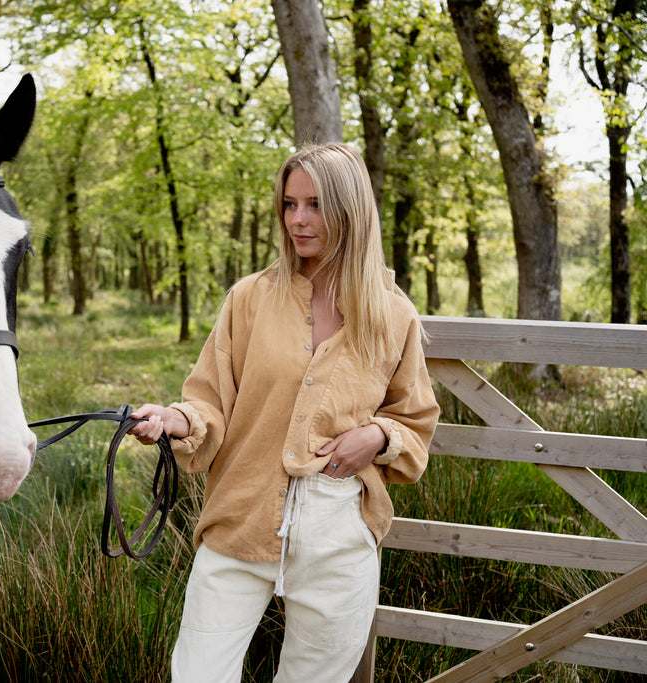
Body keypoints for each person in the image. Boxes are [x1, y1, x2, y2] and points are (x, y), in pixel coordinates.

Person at [129, 142, 440, 682]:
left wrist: (378, 436)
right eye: (290, 204)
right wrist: (175, 420)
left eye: (315, 205)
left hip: (339, 535)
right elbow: (209, 398)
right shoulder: (248, 299)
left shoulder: (394, 314)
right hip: (239, 517)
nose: (298, 219)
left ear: (350, 209)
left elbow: (415, 421)